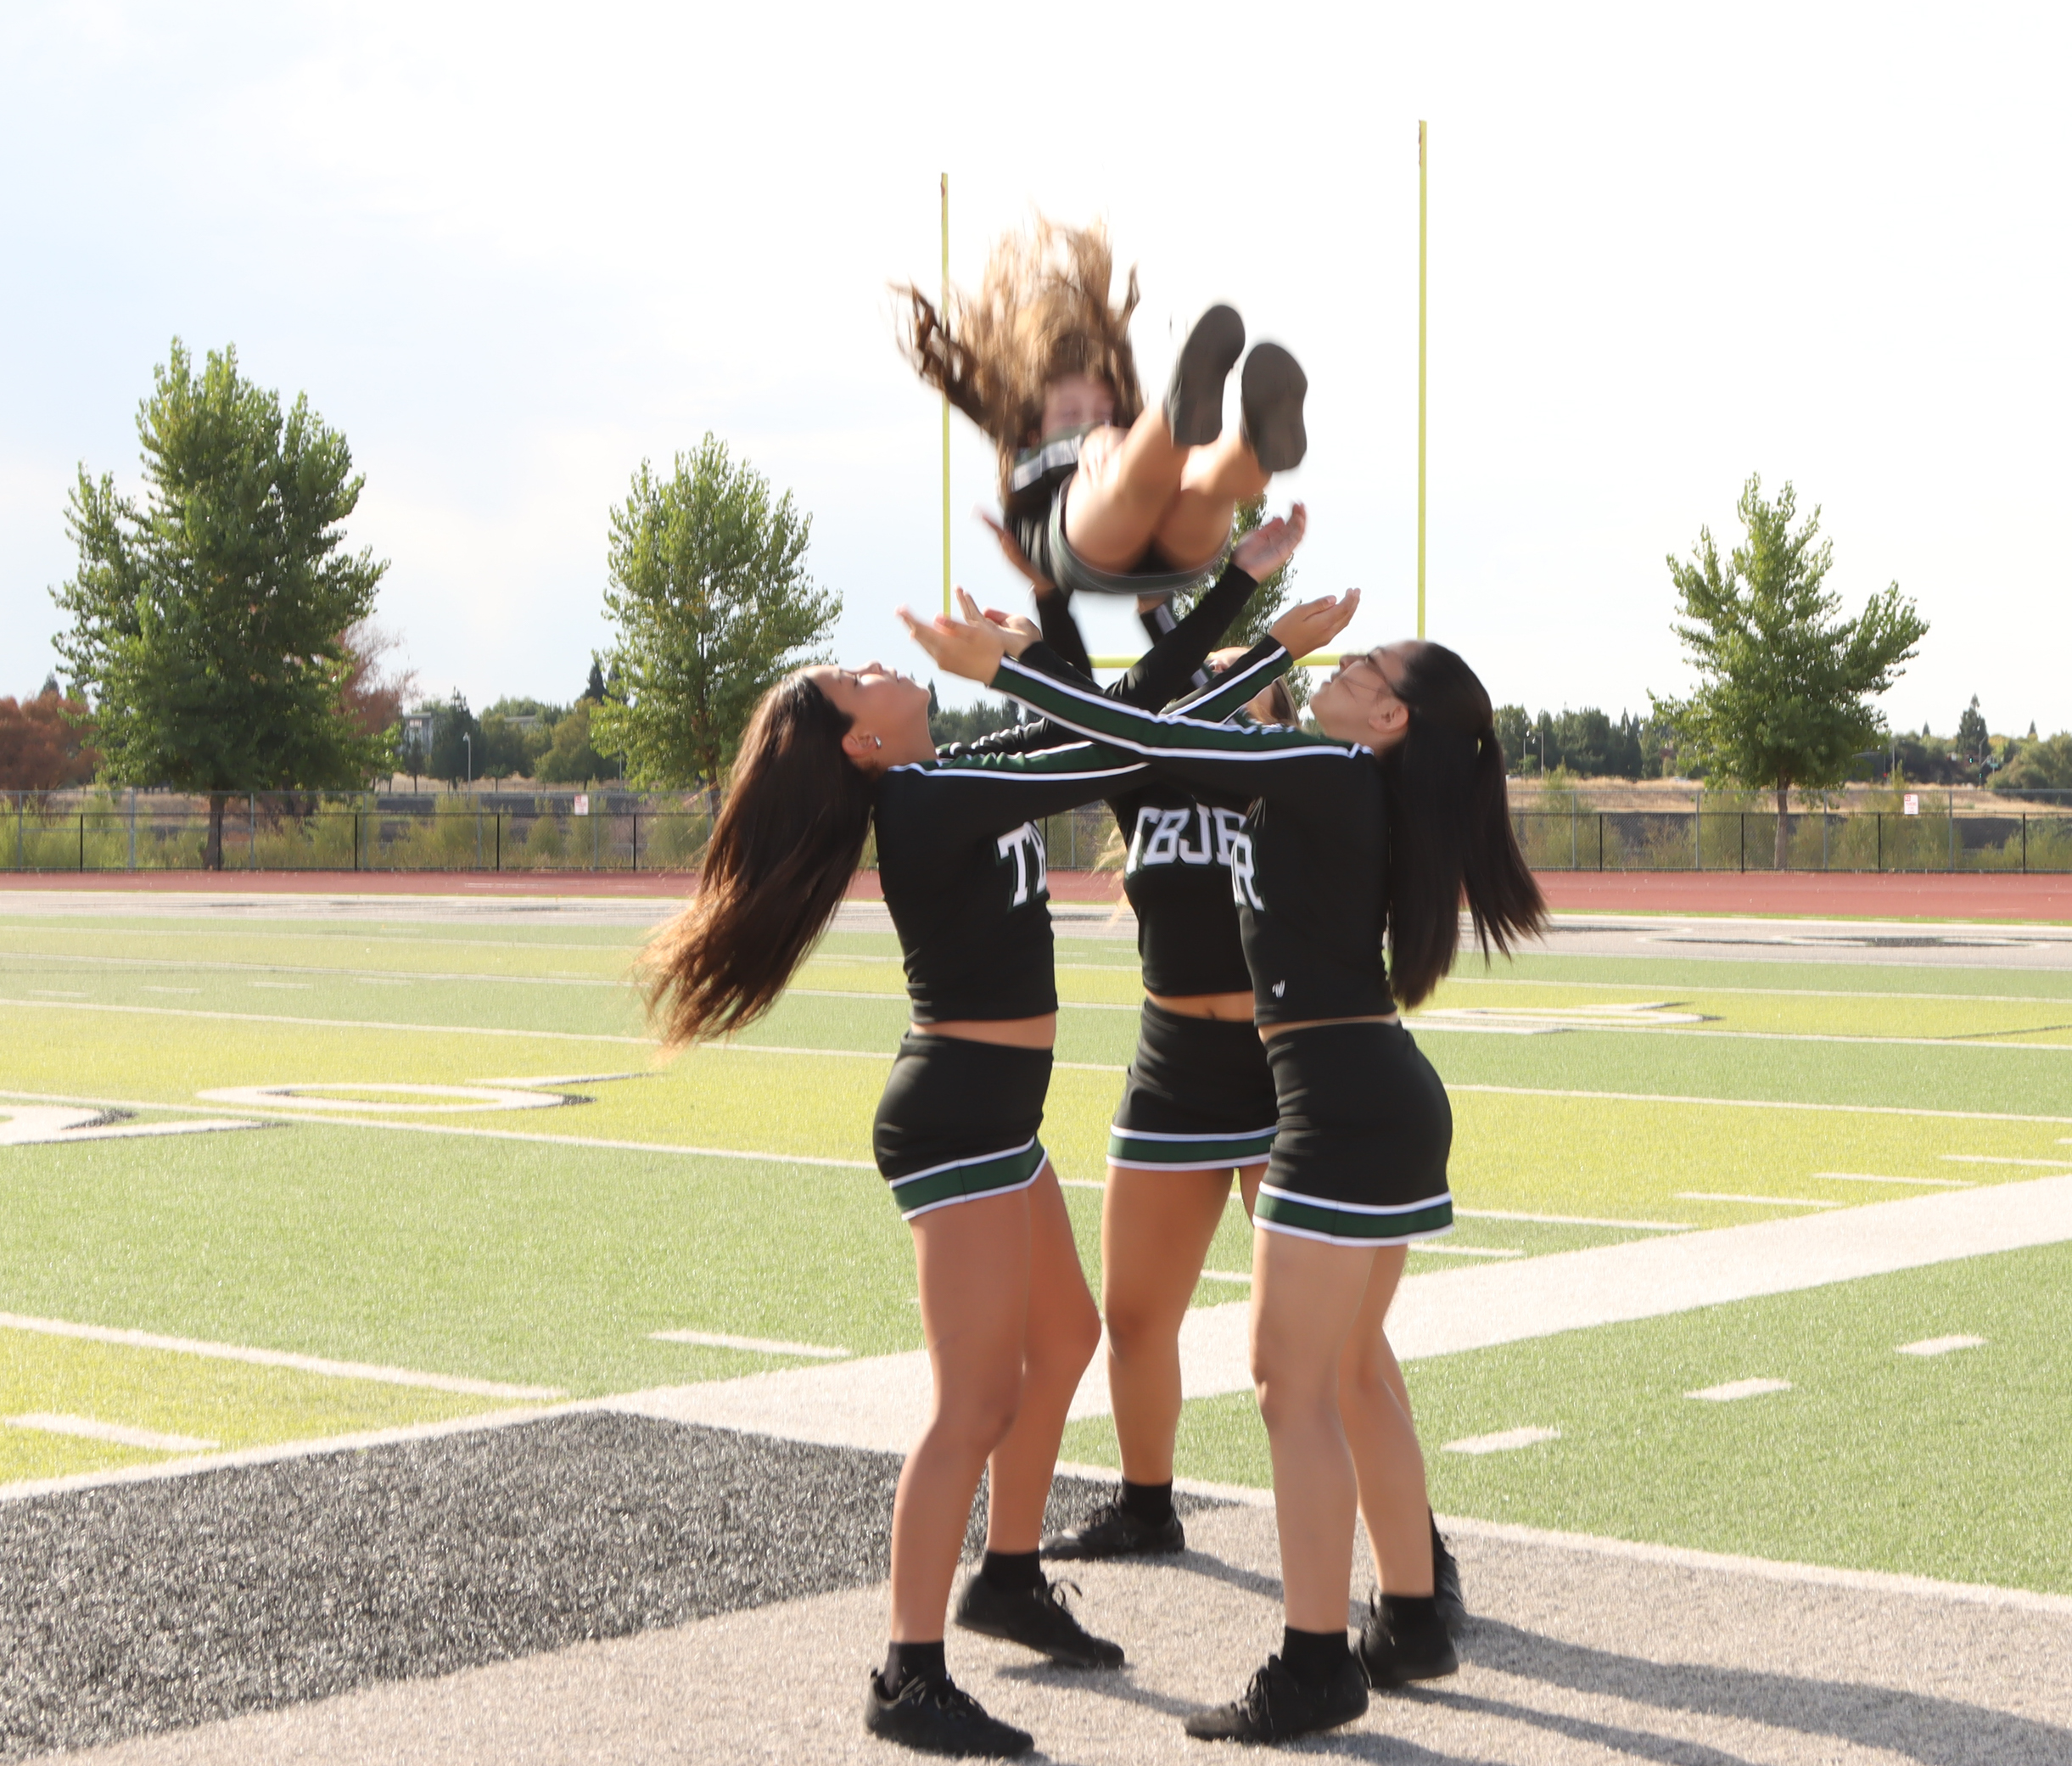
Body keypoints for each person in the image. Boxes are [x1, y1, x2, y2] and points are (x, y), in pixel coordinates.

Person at [638, 597, 1352, 1758]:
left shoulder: (949, 773)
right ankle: (906, 1674)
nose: (878, 664)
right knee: (969, 1402)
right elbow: (1131, 748)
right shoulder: (922, 800)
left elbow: (1122, 716)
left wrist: (1228, 600)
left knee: (1064, 1335)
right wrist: (1269, 651)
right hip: (957, 1121)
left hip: (997, 1122)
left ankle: (1008, 1576)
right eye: (854, 679)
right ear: (862, 742)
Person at [904, 610, 1546, 1746]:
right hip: (1373, 1095)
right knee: (1349, 1369)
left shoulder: (1329, 767)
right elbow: (1159, 735)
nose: (1339, 668)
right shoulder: (1351, 776)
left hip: (1336, 1108)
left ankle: (1314, 1665)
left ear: (1390, 714)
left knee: (1293, 1388)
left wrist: (1007, 667)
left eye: (1363, 666)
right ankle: (1409, 1618)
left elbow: (1143, 732)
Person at [901, 217, 1306, 602]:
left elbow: (1147, 451)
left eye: (1104, 414)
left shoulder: (1127, 442)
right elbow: (1072, 460)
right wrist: (1095, 438)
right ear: (1033, 432)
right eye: (1070, 415)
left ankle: (1253, 443)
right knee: (1122, 478)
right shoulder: (1025, 466)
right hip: (1092, 550)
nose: (1091, 424)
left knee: (1202, 480)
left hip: (1183, 550)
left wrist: (1119, 437)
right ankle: (1177, 407)